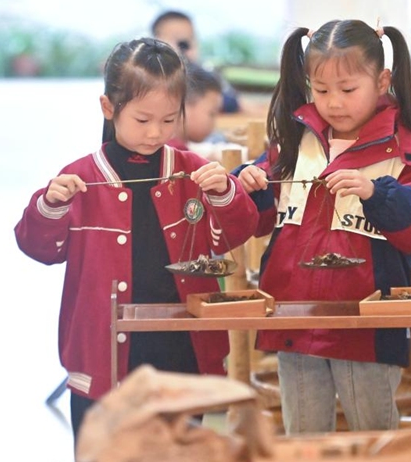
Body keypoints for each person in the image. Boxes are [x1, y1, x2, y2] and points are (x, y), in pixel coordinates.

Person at [14, 37, 258, 445]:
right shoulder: (80, 178)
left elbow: (237, 232)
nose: (155, 132)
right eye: (142, 120)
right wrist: (50, 204)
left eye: (168, 120)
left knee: (183, 453)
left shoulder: (193, 171)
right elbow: (38, 247)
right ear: (109, 108)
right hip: (102, 360)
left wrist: (225, 193)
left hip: (182, 352)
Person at [234, 20, 411, 434]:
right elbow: (259, 218)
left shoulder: (406, 148)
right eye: (321, 90)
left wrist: (376, 193)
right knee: (304, 442)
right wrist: (248, 182)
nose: (334, 103)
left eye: (348, 90)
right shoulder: (296, 140)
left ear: (383, 80)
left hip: (365, 326)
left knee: (375, 440)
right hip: (293, 319)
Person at [151, 10, 241, 113]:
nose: (185, 47)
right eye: (178, 41)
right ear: (157, 41)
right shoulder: (148, 74)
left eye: (189, 39)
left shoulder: (204, 72)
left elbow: (230, 100)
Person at [167, 62, 223, 151]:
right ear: (184, 107)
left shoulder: (181, 150)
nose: (214, 124)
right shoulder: (173, 155)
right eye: (212, 113)